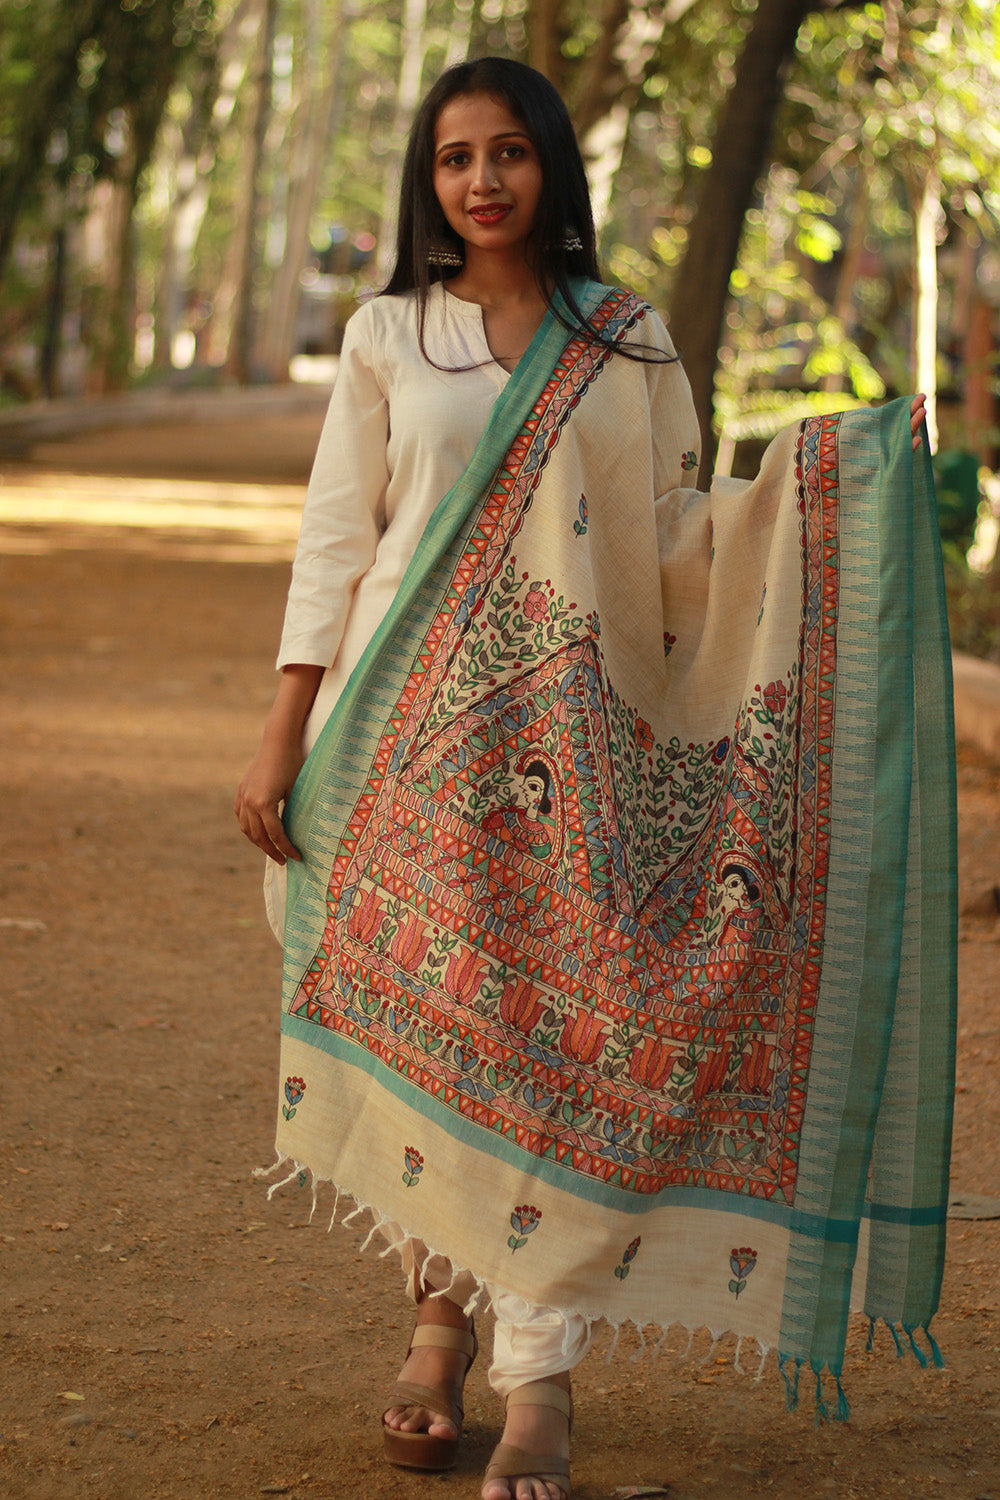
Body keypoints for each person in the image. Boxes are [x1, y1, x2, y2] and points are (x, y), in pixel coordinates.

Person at [236, 57, 952, 1500]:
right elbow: (334, 542)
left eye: (508, 153)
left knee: (547, 1058)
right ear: (426, 180)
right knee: (447, 1038)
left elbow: (676, 535)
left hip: (571, 756)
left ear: (552, 169)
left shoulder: (622, 344)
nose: (482, 180)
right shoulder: (392, 335)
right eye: (454, 157)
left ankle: (538, 1377)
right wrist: (281, 730)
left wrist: (830, 497)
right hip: (397, 747)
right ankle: (438, 1328)